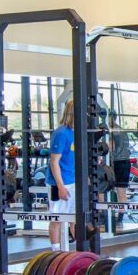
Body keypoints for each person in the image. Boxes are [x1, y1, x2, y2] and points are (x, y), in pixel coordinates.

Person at [47, 99, 78, 247]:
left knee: (76, 218)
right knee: (57, 219)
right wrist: (60, 186)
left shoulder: (77, 133)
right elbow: (54, 161)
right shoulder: (61, 133)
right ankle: (56, 254)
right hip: (59, 182)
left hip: (74, 180)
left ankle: (81, 251)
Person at [109, 117, 132, 229]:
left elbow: (110, 147)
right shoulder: (121, 130)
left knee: (118, 192)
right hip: (125, 162)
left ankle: (116, 219)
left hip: (118, 163)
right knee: (121, 192)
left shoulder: (113, 131)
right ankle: (119, 219)